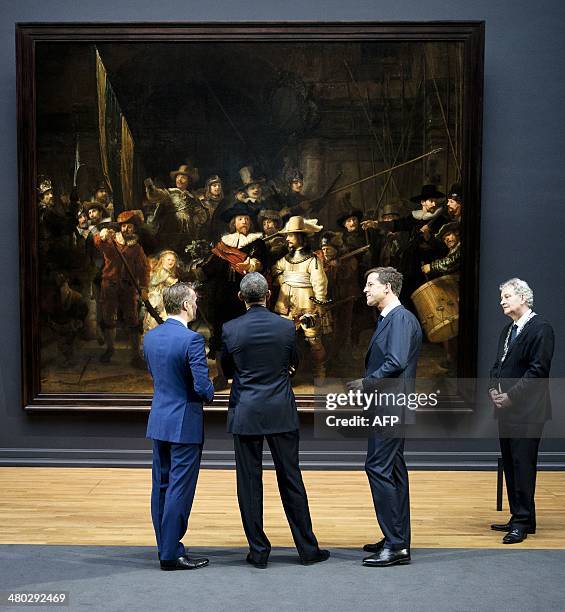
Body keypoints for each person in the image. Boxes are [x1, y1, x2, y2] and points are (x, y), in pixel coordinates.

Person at [220, 272, 330, 569]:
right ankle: (308, 549)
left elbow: (226, 367)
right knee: (291, 479)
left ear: (241, 297)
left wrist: (239, 376)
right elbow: (294, 361)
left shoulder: (230, 329)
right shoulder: (285, 327)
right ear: (268, 295)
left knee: (249, 482)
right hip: (280, 409)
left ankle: (258, 552)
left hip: (246, 411)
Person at [349, 267, 422, 567]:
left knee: (378, 467)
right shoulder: (390, 319)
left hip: (392, 407)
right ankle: (396, 538)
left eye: (370, 285)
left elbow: (395, 361)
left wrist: (364, 383)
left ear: (388, 288)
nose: (365, 290)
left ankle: (396, 545)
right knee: (392, 470)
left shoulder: (401, 319)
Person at [143, 282, 214, 571]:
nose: (196, 305)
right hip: (184, 423)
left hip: (159, 420)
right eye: (194, 300)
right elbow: (201, 387)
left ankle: (166, 548)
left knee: (160, 487)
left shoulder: (150, 337)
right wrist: (211, 391)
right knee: (179, 490)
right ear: (185, 305)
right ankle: (171, 554)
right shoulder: (192, 340)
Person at [489, 278, 554, 544]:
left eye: (506, 296)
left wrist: (511, 397)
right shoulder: (508, 330)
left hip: (527, 411)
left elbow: (538, 371)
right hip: (506, 410)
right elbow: (497, 366)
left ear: (523, 298)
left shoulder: (541, 329)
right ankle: (520, 516)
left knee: (522, 464)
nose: (502, 301)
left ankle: (522, 522)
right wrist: (493, 390)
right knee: (511, 463)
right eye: (501, 297)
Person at [272, 216, 331, 379]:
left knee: (313, 339)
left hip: (307, 303)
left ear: (301, 237)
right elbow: (275, 270)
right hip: (285, 304)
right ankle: (287, 373)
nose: (288, 238)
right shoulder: (285, 259)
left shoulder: (313, 260)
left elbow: (320, 283)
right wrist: (284, 280)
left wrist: (320, 304)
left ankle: (320, 370)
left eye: (291, 235)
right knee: (284, 340)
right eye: (287, 235)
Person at [94, 210, 149, 367]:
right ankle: (110, 350)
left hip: (129, 287)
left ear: (134, 229)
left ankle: (135, 356)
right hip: (110, 285)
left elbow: (143, 269)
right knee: (108, 317)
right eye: (124, 226)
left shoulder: (137, 248)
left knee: (132, 319)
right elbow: (99, 243)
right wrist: (102, 235)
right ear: (120, 228)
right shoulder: (111, 242)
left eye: (130, 226)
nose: (126, 229)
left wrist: (144, 287)